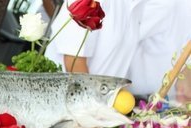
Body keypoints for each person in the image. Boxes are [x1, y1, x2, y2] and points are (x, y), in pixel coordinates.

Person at [45, 0, 191, 100]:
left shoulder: (138, 6)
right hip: (67, 99)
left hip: (97, 106)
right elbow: (73, 60)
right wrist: (91, 105)